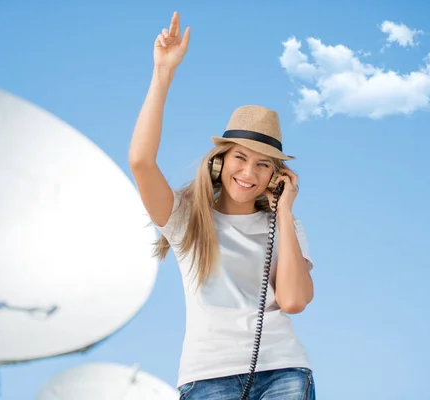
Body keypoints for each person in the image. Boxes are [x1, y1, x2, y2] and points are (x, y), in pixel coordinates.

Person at [128, 11, 316, 400]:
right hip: (207, 377)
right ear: (219, 162)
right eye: (240, 158)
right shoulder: (186, 221)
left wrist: (283, 212)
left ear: (275, 175)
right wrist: (163, 73)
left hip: (283, 371)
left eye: (263, 164)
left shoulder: (286, 228)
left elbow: (294, 301)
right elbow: (141, 162)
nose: (249, 172)